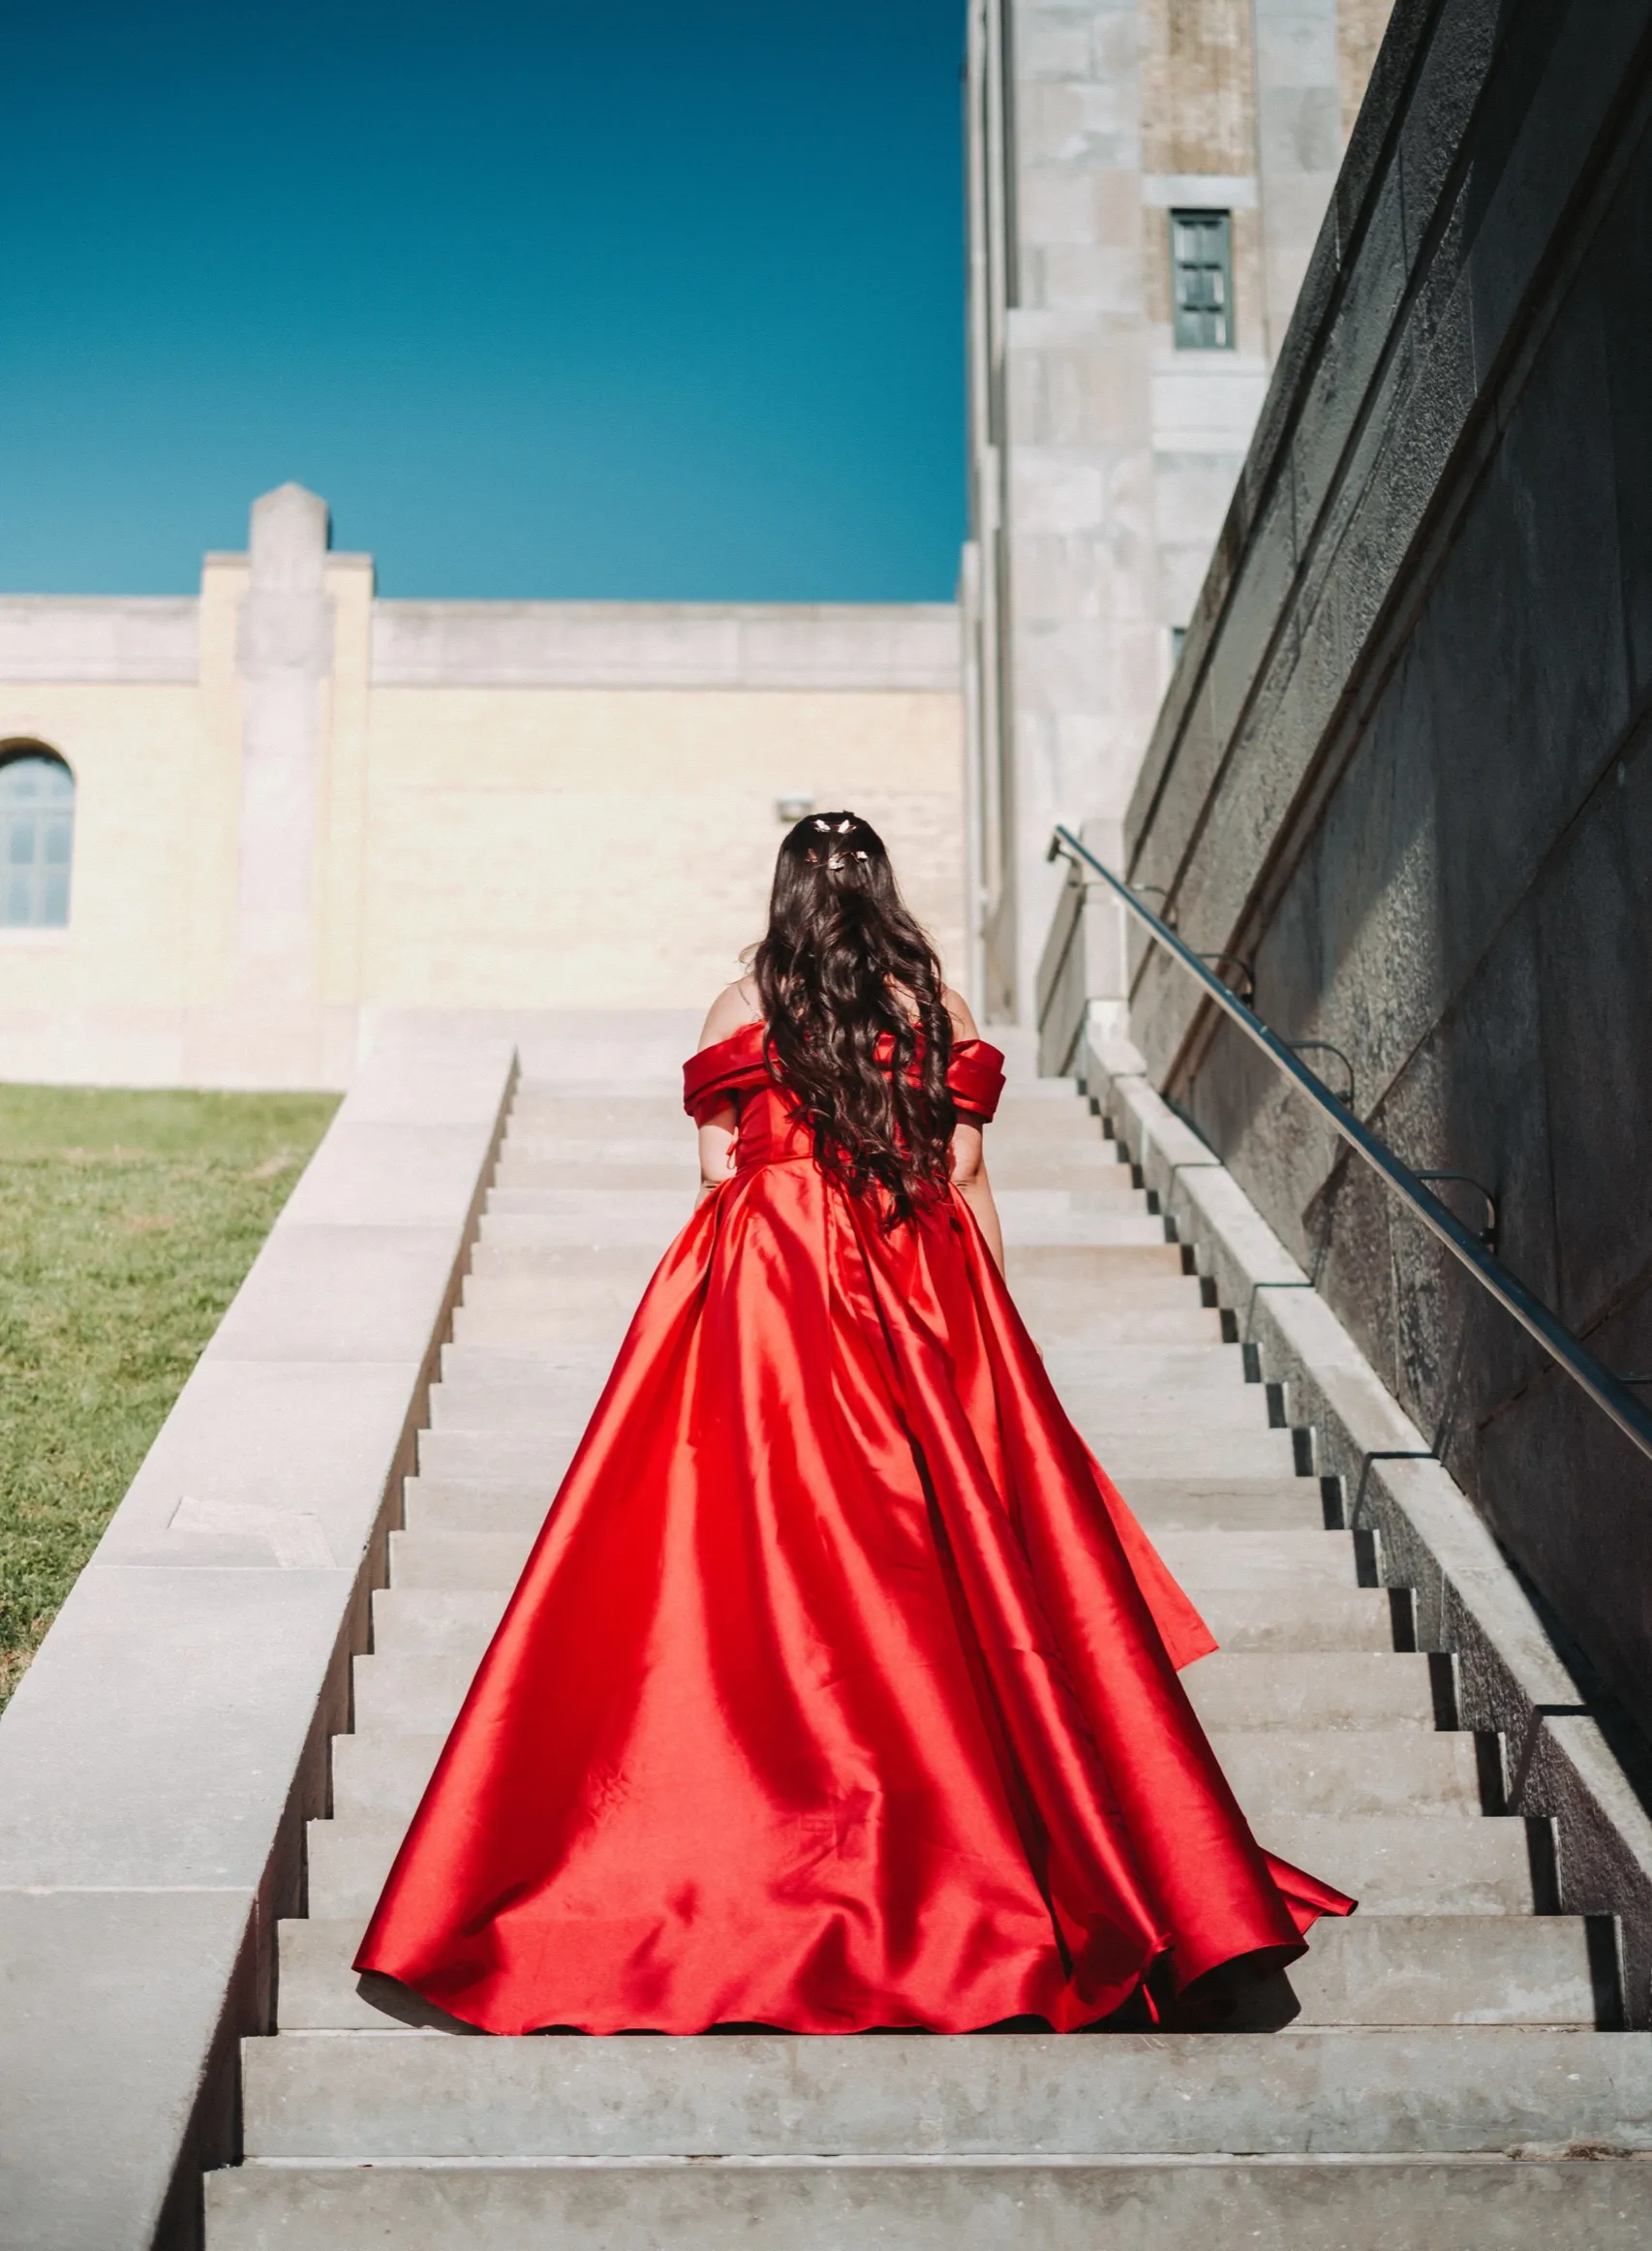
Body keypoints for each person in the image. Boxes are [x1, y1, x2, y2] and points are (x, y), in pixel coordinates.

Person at [356, 812, 1352, 2035]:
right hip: (910, 1265)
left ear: (783, 889)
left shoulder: (742, 994)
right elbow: (968, 1172)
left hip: (771, 1288)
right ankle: (1045, 1872)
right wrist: (991, 1336)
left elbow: (718, 1170)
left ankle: (763, 1832)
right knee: (947, 1570)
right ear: (882, 885)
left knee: (764, 1560)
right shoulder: (935, 1003)